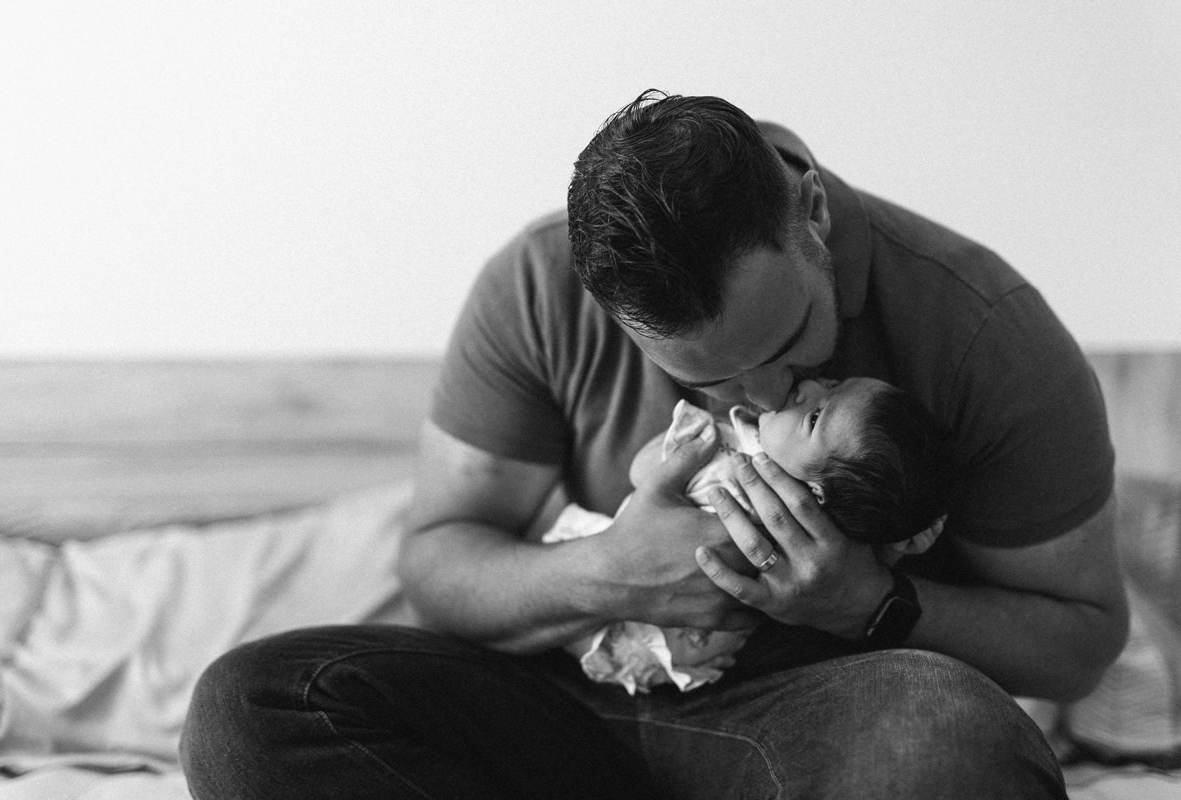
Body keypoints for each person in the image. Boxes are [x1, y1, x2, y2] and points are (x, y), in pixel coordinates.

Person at [181, 91, 1129, 799]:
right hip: (564, 711)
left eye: (788, 344)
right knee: (250, 708)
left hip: (818, 718)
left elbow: (1079, 646)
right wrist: (611, 571)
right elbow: (438, 563)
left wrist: (867, 604)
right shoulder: (534, 285)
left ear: (813, 216)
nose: (760, 397)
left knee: (948, 740)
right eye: (704, 380)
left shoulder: (982, 332)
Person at [549, 377, 953, 695]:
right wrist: (909, 535)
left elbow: (641, 472)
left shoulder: (735, 454)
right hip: (643, 615)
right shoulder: (725, 446)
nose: (807, 387)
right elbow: (643, 477)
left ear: (816, 494)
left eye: (814, 418)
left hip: (672, 647)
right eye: (832, 384)